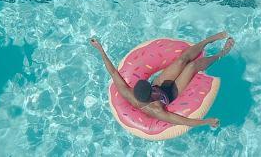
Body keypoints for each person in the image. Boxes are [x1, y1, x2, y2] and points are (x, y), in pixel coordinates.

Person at [89, 32, 235, 128]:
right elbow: (183, 121)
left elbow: (113, 73)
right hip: (170, 95)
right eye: (151, 89)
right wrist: (207, 122)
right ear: (150, 95)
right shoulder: (156, 110)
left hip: (161, 86)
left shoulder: (129, 92)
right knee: (192, 66)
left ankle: (210, 39)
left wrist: (100, 49)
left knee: (181, 60)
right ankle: (222, 53)